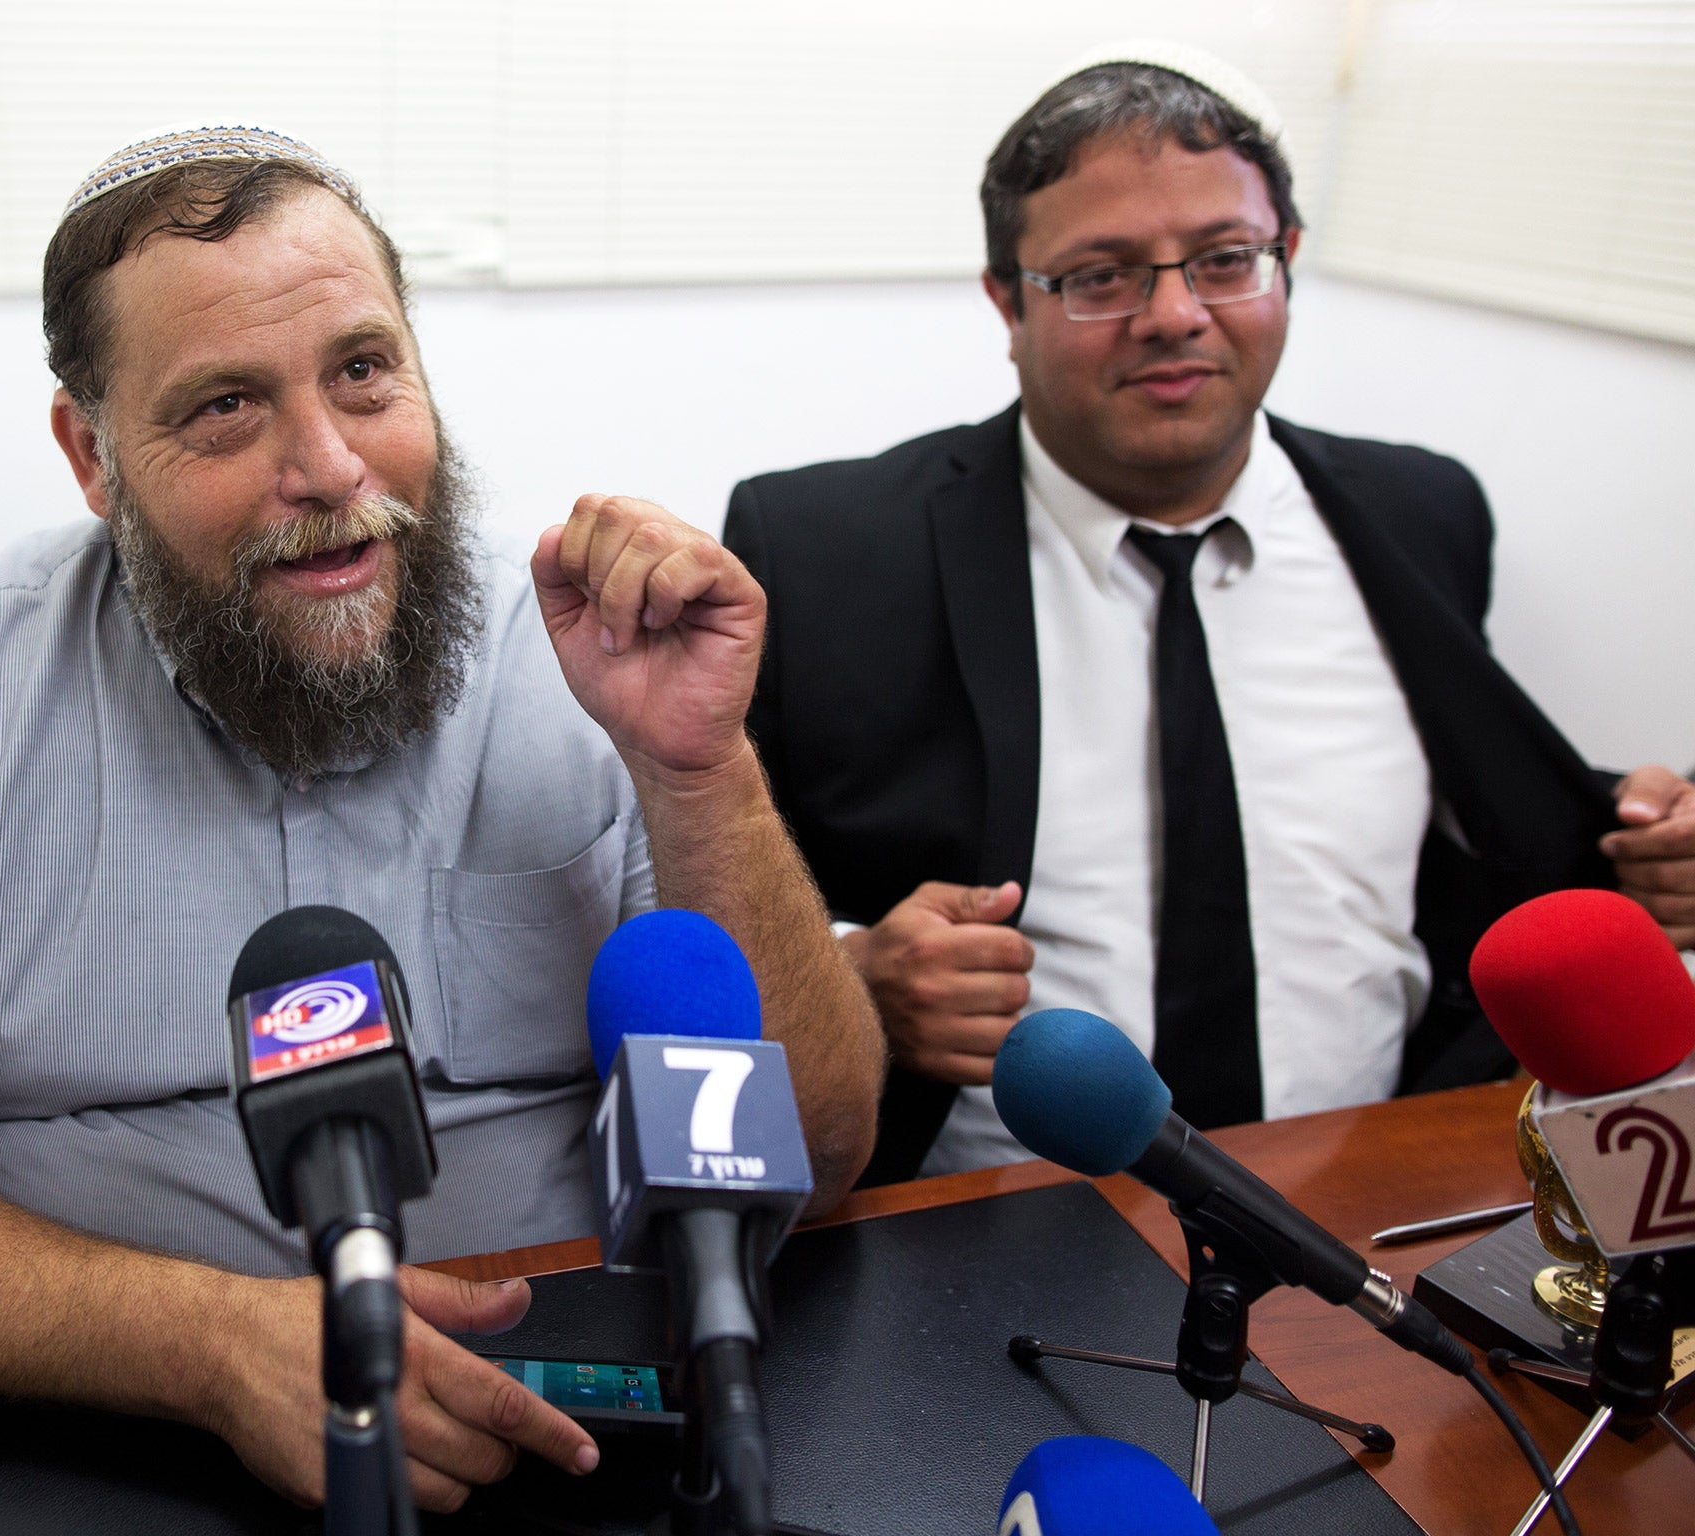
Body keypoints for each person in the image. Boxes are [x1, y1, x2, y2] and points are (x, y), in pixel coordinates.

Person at [0, 125, 884, 1513]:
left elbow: (826, 1144)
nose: (328, 467)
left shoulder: (588, 654)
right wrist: (200, 1341)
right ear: (91, 454)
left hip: (587, 1423)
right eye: (225, 410)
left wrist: (698, 770)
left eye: (363, 373)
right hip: (105, 1439)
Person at [721, 49, 1695, 1184]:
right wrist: (854, 974)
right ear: (1005, 301)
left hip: (1369, 1175)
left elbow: (1498, 821)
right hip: (987, 1206)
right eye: (1100, 276)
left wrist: (1649, 842)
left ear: (1284, 263)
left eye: (1224, 260)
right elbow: (706, 883)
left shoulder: (1421, 510)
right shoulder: (821, 546)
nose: (1173, 314)